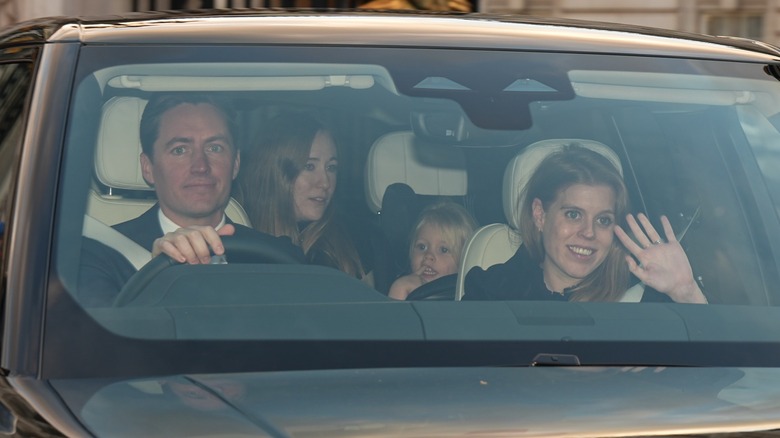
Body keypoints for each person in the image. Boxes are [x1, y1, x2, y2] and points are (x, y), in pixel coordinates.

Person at [78, 94, 303, 306]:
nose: (201, 167)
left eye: (215, 148)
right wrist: (157, 276)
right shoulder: (100, 256)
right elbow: (99, 342)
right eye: (180, 150)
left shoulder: (278, 257)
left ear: (235, 164)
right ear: (148, 168)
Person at [463, 144, 707, 304]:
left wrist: (686, 292)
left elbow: (710, 378)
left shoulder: (642, 296)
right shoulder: (490, 294)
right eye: (573, 215)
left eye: (603, 220)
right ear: (540, 215)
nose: (589, 233)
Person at [155, 111, 367, 280]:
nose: (324, 182)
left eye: (331, 168)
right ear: (273, 172)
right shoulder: (232, 239)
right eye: (309, 166)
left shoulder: (355, 244)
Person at [388, 201, 477, 300]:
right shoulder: (405, 284)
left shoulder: (468, 300)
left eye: (443, 250)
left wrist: (398, 290)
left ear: (465, 259)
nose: (428, 255)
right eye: (422, 247)